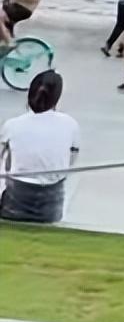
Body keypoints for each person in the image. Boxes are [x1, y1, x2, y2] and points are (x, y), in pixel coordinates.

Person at [0, 70, 80, 225]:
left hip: (15, 203)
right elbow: (70, 161)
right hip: (51, 207)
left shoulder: (12, 125)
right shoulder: (70, 124)